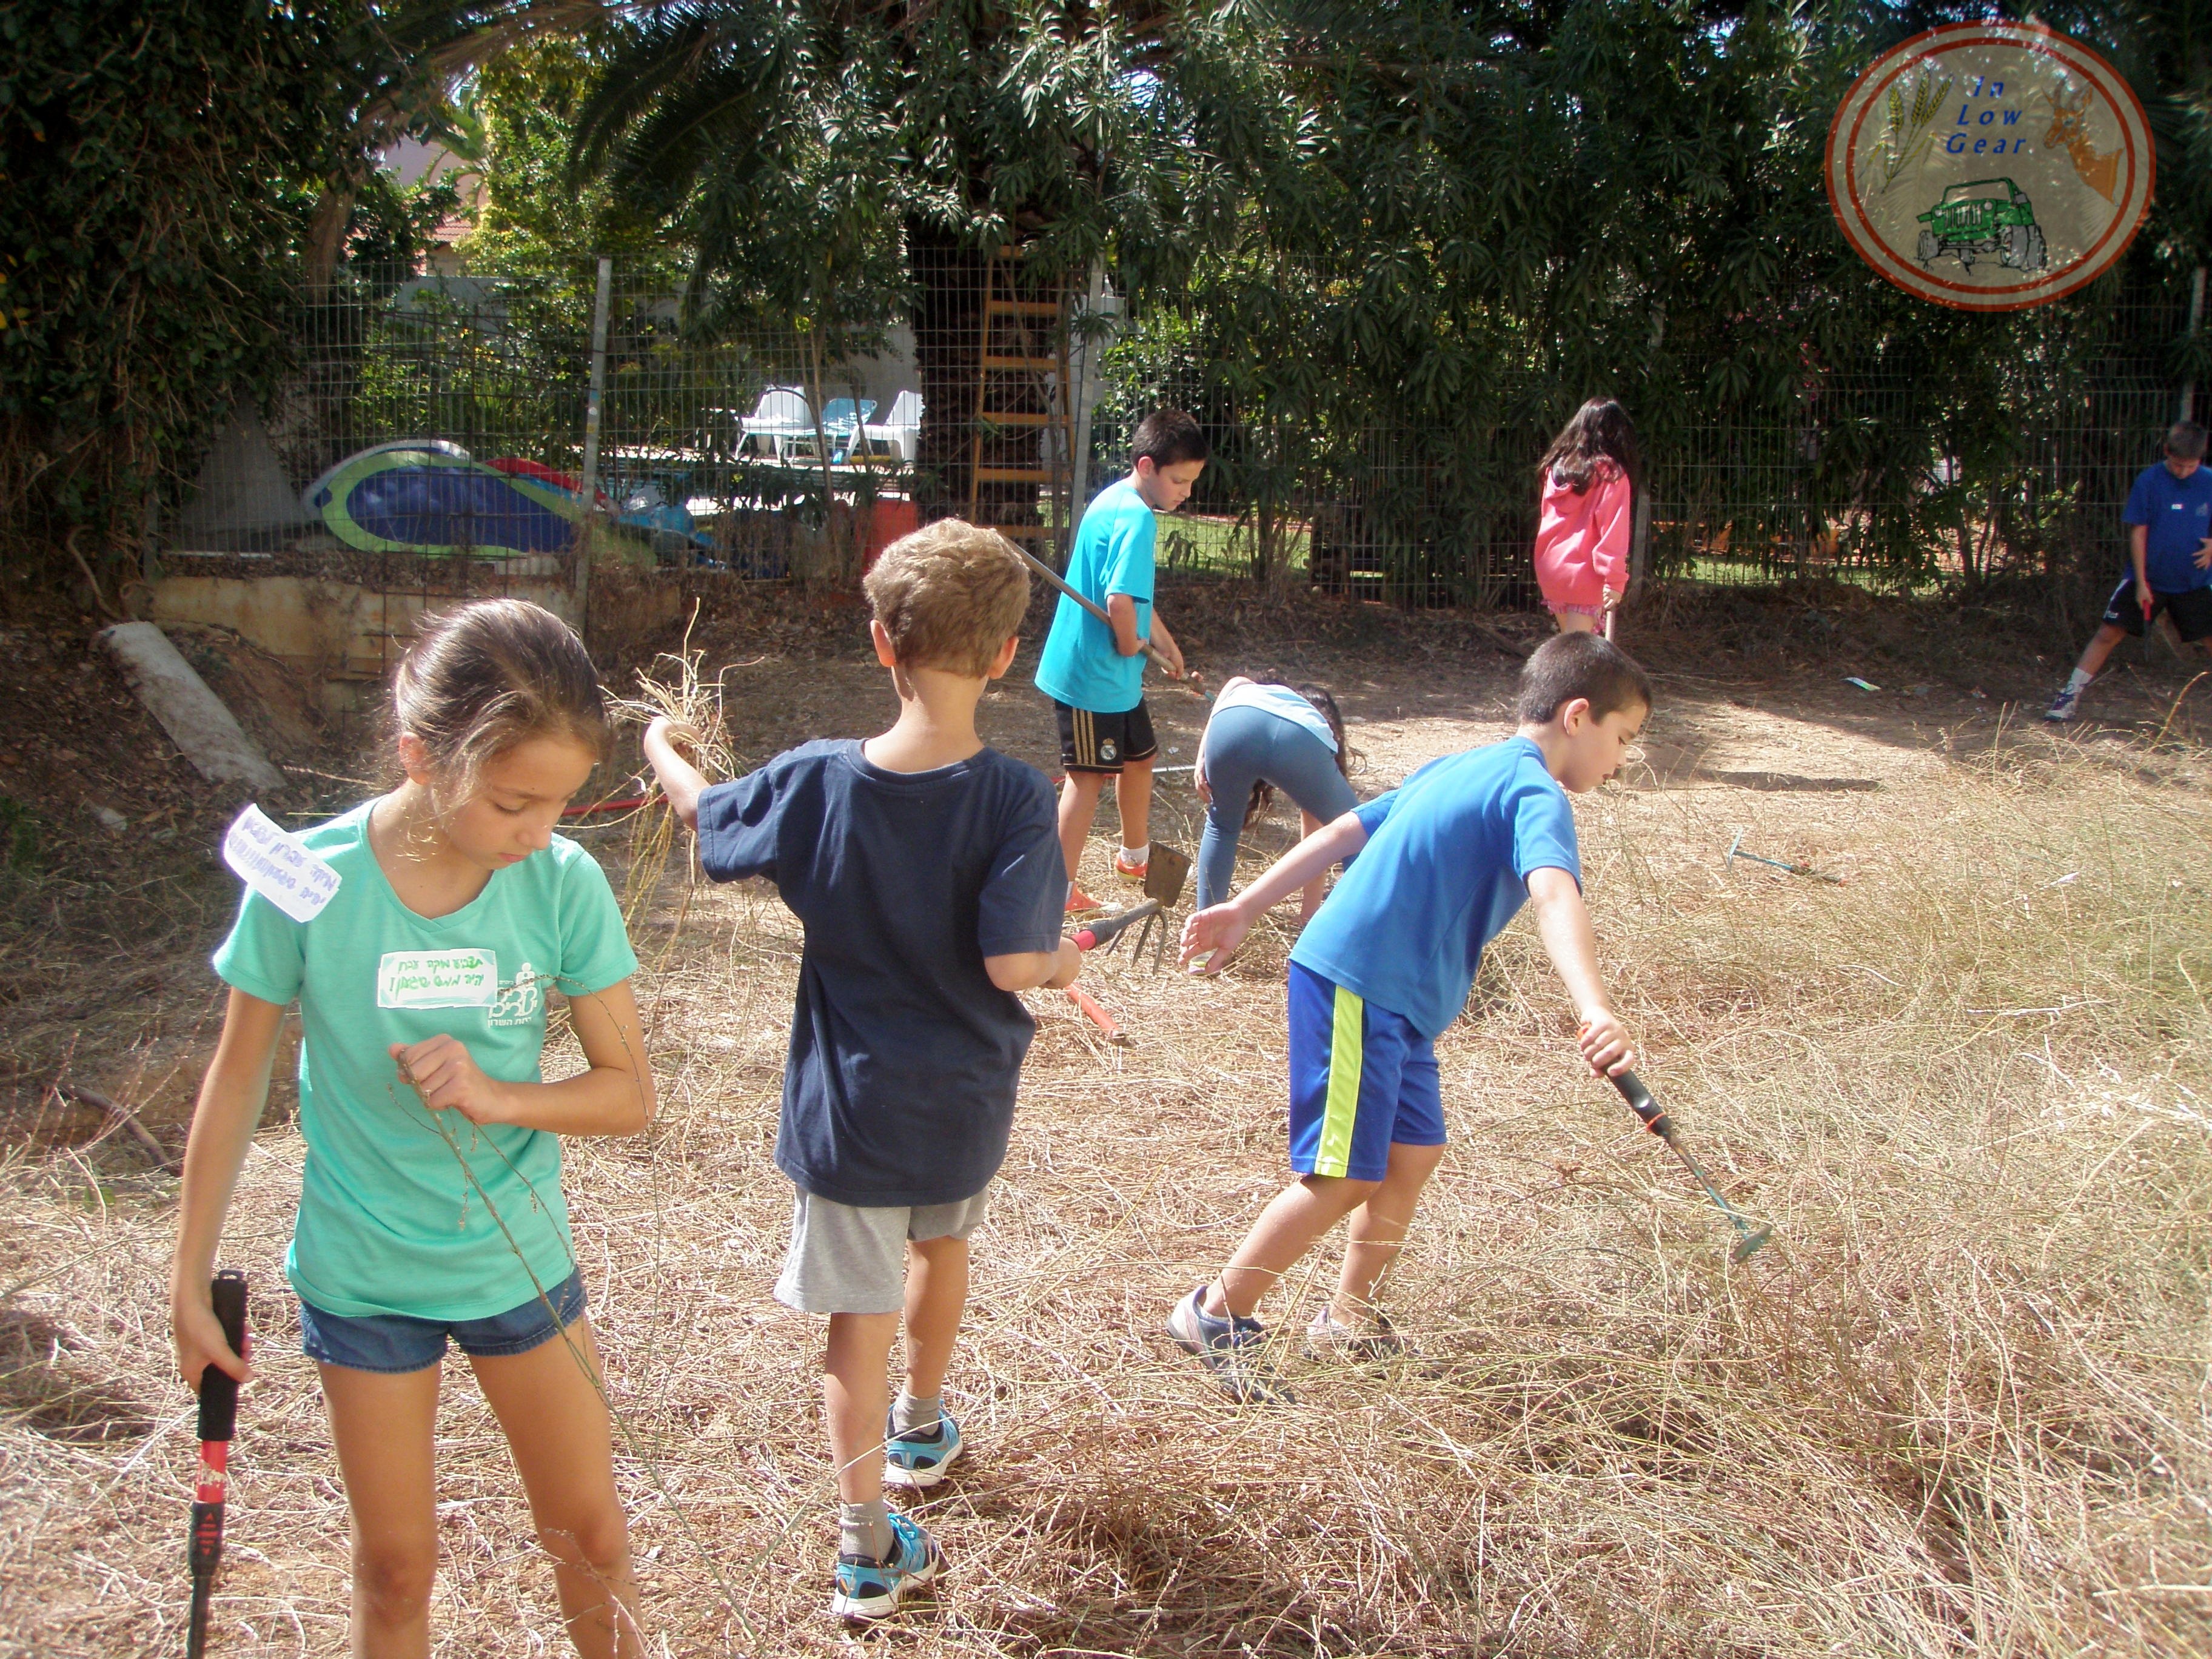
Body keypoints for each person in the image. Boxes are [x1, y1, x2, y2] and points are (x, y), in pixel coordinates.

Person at [171, 599, 655, 1657]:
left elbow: (627, 1094)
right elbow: (238, 1069)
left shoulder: (561, 882)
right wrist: (188, 1274)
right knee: (394, 1571)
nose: (539, 832)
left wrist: (503, 1095)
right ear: (420, 755)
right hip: (365, 1273)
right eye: (514, 801)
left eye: (560, 805)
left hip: (516, 1266)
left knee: (591, 1534)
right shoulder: (304, 877)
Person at [642, 520, 1079, 1620]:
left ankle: (862, 1546)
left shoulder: (813, 781)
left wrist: (661, 742)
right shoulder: (1020, 797)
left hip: (849, 1113)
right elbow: (1013, 960)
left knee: (854, 1324)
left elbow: (703, 816)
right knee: (946, 1240)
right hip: (964, 1100)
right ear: (1004, 655)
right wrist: (1065, 959)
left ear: (882, 642)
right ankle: (921, 1428)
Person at [1168, 632, 1649, 1404]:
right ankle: (1216, 1313)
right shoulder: (1534, 791)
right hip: (1359, 982)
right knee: (1345, 1173)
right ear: (1578, 716)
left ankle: (1350, 1318)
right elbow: (1556, 892)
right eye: (1622, 739)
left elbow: (1344, 831)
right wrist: (1593, 1005)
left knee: (1413, 1152)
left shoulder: (1465, 763)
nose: (1620, 760)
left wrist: (1247, 904)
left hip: (1399, 1003)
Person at [1033, 407, 1205, 911]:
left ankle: (1135, 855)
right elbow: (1118, 603)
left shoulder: (1115, 499)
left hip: (1117, 681)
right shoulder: (1134, 517)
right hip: (1092, 677)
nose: (1185, 492)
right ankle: (1058, 890)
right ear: (1148, 466)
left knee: (1139, 759)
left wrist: (1165, 646)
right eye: (1179, 480)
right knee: (1087, 779)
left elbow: (1135, 596)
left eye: (1192, 482)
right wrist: (1132, 645)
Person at [2045, 420, 2212, 722]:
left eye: (2190, 466)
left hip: (2195, 582)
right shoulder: (2149, 481)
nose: (2183, 471)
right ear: (2166, 452)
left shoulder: (2209, 481)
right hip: (2147, 579)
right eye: (2177, 465)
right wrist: (2141, 583)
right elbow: (2138, 532)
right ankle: (2068, 698)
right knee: (2108, 633)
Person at [1192, 675, 1358, 915]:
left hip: (1233, 721)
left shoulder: (1258, 691)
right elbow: (1319, 841)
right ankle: (1363, 932)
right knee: (1361, 835)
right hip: (1297, 740)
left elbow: (1235, 682)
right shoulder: (1310, 724)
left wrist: (1202, 757)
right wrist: (1307, 917)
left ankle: (1204, 940)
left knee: (1222, 827)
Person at [1532, 398, 1640, 637]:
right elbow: (1613, 531)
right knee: (1576, 653)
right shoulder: (1611, 475)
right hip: (1585, 573)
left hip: (1551, 568)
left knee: (1568, 645)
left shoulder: (1555, 469)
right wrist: (1615, 581)